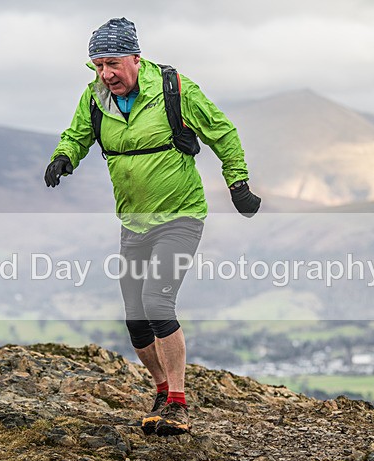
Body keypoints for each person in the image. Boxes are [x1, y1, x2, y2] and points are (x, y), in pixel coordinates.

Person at [44, 17, 261, 436]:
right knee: (135, 318)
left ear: (135, 59)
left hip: (180, 215)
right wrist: (64, 156)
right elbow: (77, 134)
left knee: (158, 304)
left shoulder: (173, 89)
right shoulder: (96, 98)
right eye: (97, 66)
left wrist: (238, 183)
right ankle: (163, 392)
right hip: (133, 221)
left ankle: (179, 405)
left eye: (112, 64)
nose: (106, 74)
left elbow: (223, 132)